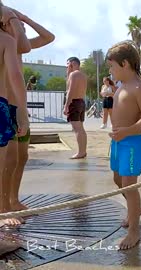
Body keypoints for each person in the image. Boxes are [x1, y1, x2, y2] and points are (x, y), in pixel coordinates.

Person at [2, 6, 54, 213]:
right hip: (9, 107)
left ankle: (14, 199)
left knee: (22, 158)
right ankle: (4, 204)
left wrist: (24, 17)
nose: (22, 27)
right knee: (9, 160)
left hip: (19, 108)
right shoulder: (6, 43)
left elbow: (48, 37)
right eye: (17, 23)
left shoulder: (18, 46)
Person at [106, 41, 141, 250]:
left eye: (112, 66)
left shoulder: (138, 88)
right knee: (118, 179)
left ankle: (134, 230)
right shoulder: (122, 86)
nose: (110, 70)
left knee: (129, 185)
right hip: (117, 141)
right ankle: (136, 210)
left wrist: (126, 131)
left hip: (131, 142)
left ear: (124, 64)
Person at [0, 3, 30, 226]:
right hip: (3, 105)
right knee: (3, 161)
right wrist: (22, 113)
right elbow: (15, 78)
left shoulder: (12, 42)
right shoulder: (6, 41)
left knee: (13, 158)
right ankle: (2, 210)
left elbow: (26, 44)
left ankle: (7, 205)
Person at [64, 57, 88, 159]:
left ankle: (81, 152)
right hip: (81, 102)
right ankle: (83, 151)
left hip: (74, 102)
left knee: (77, 129)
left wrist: (66, 105)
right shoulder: (82, 75)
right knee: (81, 128)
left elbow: (70, 90)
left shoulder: (74, 74)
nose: (66, 66)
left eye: (68, 64)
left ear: (73, 63)